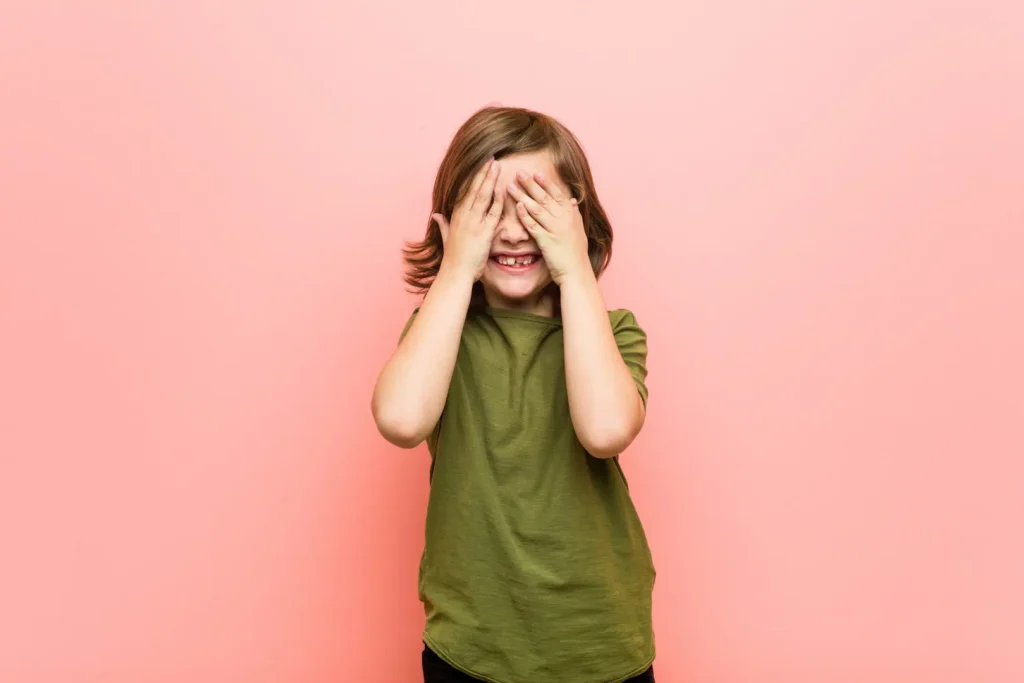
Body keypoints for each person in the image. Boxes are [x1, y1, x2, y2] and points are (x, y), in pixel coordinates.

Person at [371, 105, 656, 683]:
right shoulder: (440, 334)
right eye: (490, 209)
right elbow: (400, 420)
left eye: (535, 208)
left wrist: (574, 271)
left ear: (581, 221)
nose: (512, 229)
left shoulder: (613, 331)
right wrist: (455, 270)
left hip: (600, 640)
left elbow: (604, 432)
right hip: (471, 645)